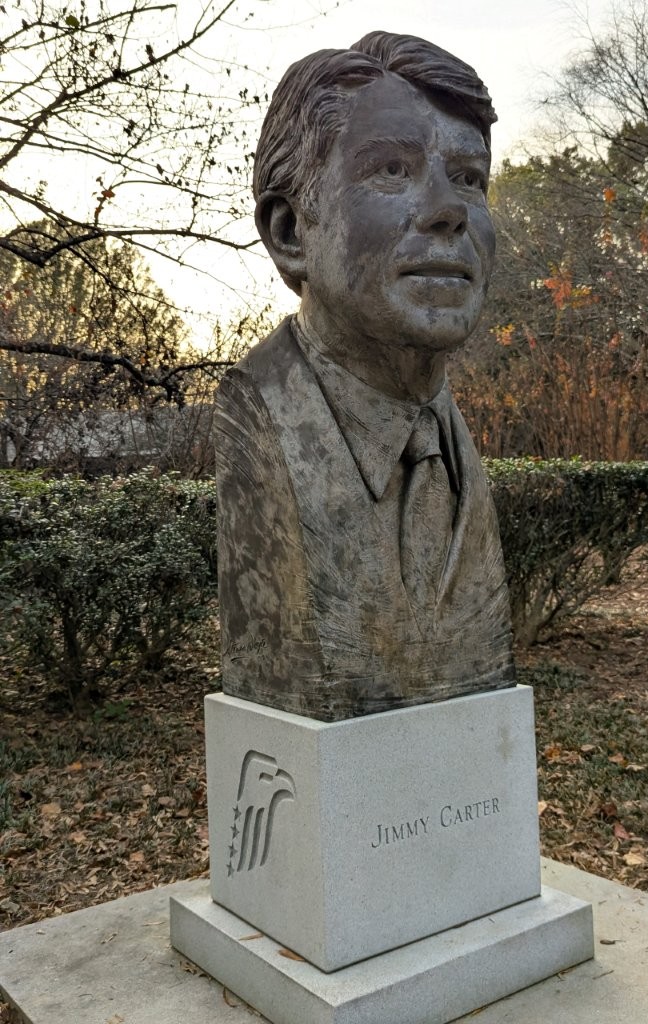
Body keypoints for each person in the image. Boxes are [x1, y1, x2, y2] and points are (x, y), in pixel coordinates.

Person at [214, 30, 515, 721]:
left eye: (470, 178)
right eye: (392, 171)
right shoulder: (264, 417)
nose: (449, 210)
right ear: (291, 233)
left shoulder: (452, 443)